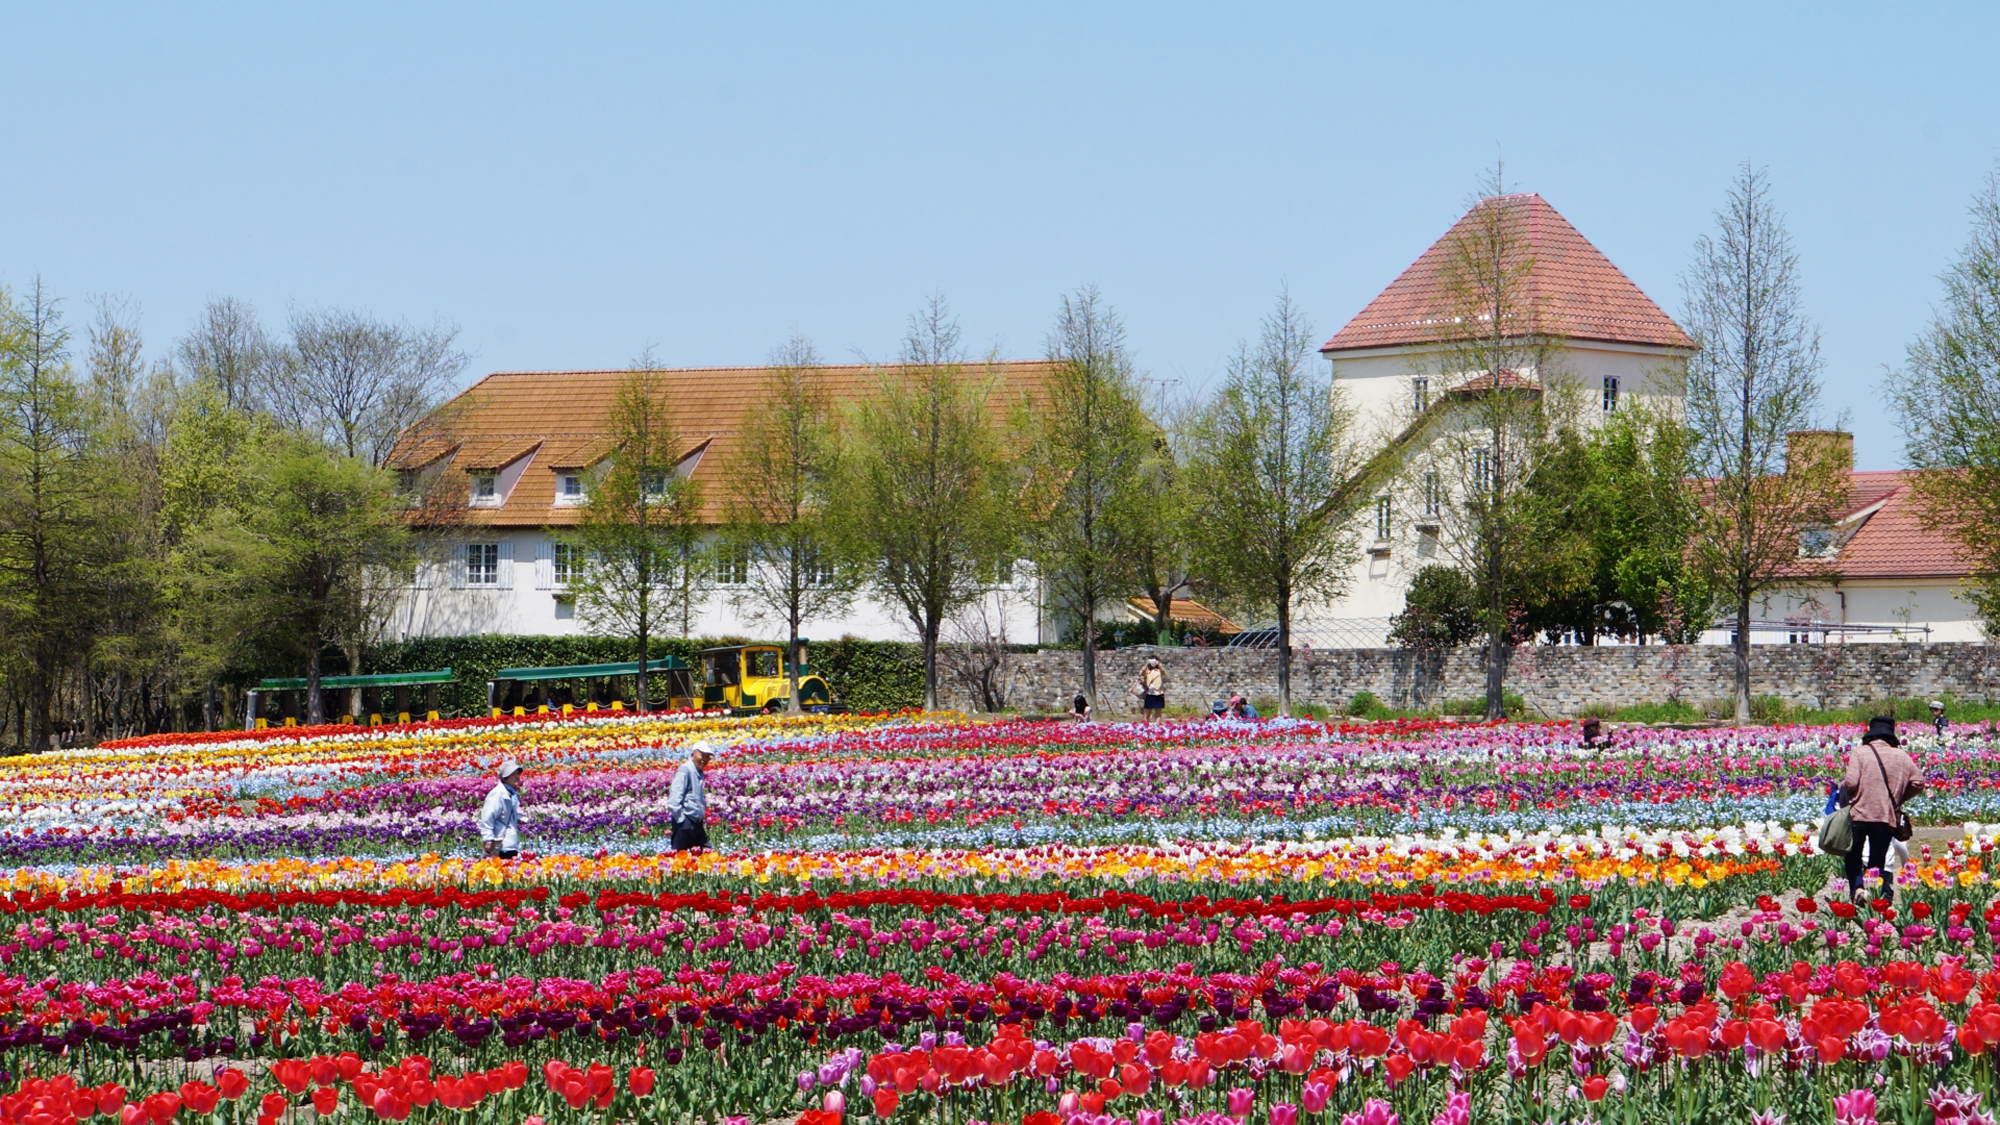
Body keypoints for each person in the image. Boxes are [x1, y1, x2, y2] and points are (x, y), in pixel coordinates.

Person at [1836, 716, 1923, 902]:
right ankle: (1874, 897)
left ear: (1870, 735)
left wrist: (1842, 788)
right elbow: (1919, 782)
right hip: (1886, 817)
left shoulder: (1860, 752)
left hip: (1858, 815)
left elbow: (1850, 782)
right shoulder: (1902, 756)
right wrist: (1899, 797)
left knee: (1853, 857)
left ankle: (1858, 891)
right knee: (1877, 862)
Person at [667, 744, 712, 852]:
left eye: (707, 757)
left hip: (696, 823)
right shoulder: (685, 770)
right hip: (686, 822)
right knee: (679, 858)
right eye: (702, 756)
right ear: (693, 755)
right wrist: (682, 821)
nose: (704, 760)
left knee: (707, 855)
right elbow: (674, 799)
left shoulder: (699, 772)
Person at [479, 759, 525, 859]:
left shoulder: (512, 794)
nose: (517, 777)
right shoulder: (497, 794)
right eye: (513, 774)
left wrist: (520, 818)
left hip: (510, 842)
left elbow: (509, 813)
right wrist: (488, 838)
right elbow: (488, 817)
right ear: (504, 778)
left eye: (518, 774)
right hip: (499, 842)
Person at [1136, 658, 1166, 722]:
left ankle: (1157, 726)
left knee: (1158, 712)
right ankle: (1146, 725)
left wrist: (1159, 664)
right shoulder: (1147, 671)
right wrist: (1147, 664)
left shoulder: (1159, 670)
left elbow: (1164, 673)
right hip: (1149, 693)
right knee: (1147, 712)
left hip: (1158, 692)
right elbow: (1141, 673)